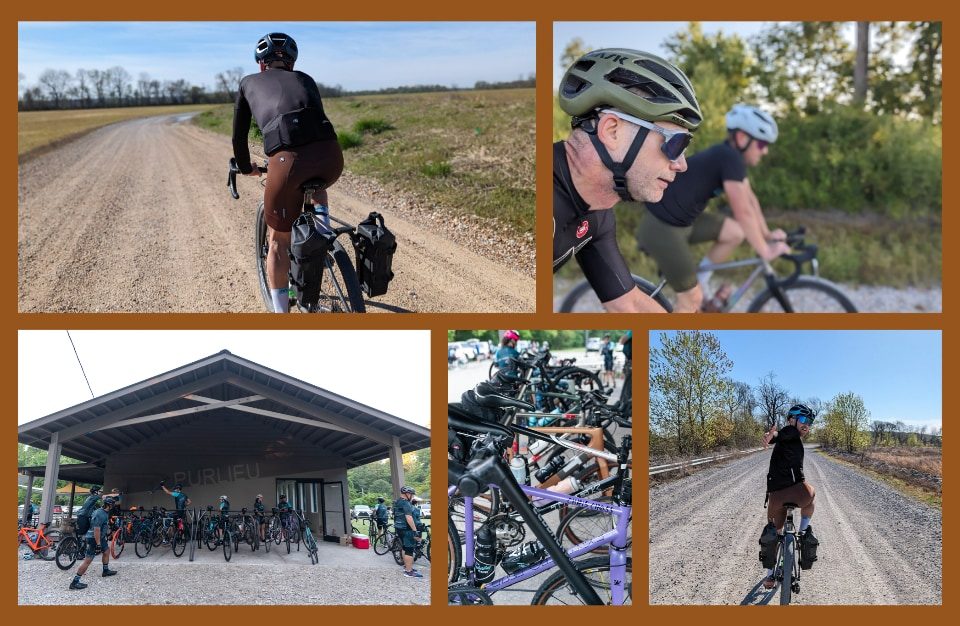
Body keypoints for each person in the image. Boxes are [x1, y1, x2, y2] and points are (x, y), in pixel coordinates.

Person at [553, 48, 702, 313]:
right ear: (612, 131)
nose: (681, 164)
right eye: (676, 143)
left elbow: (629, 304)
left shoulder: (598, 216)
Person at [637, 104, 791, 312]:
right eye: (762, 144)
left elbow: (750, 201)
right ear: (743, 139)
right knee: (692, 300)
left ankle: (702, 281)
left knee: (735, 232)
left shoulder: (730, 158)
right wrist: (764, 250)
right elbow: (743, 212)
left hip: (684, 223)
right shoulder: (728, 157)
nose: (765, 151)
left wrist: (766, 235)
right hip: (662, 229)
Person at [232, 32, 344, 313]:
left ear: (261, 64)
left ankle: (282, 315)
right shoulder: (305, 79)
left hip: (286, 162)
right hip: (331, 157)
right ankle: (322, 230)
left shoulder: (248, 83)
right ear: (292, 63)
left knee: (278, 242)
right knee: (316, 182)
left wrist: (246, 167)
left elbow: (239, 137)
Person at [759, 404, 820, 589]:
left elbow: (779, 437)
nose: (806, 424)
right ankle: (802, 531)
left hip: (776, 497)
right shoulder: (790, 433)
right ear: (791, 419)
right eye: (802, 419)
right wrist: (772, 436)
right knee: (812, 494)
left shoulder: (790, 436)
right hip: (798, 492)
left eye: (809, 422)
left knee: (774, 534)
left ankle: (769, 577)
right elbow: (781, 434)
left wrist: (772, 438)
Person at [69, 496, 117, 589]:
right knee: (88, 560)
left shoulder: (105, 512)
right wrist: (98, 544)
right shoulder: (99, 514)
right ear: (109, 505)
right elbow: (96, 530)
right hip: (93, 538)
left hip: (100, 538)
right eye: (113, 504)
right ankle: (75, 582)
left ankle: (105, 571)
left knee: (106, 551)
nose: (114, 506)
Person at [394, 486, 422, 578]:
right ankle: (409, 571)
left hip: (399, 528)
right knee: (409, 549)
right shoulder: (406, 503)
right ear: (407, 494)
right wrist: (415, 530)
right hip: (407, 529)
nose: (412, 496)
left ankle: (407, 567)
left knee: (404, 548)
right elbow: (409, 517)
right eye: (412, 494)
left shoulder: (398, 502)